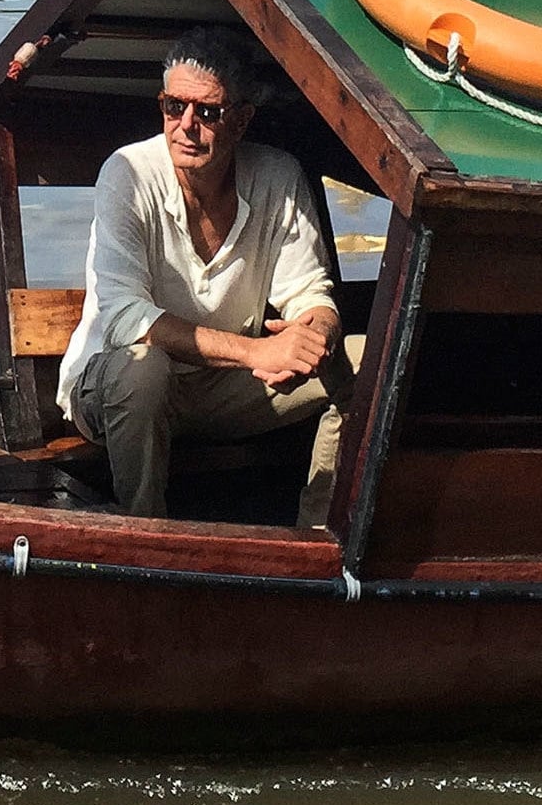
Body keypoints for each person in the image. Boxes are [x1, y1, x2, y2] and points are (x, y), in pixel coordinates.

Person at [56, 26, 346, 526]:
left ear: (241, 122)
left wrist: (312, 335)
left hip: (228, 389)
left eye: (207, 112)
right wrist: (258, 350)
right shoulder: (127, 172)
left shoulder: (277, 175)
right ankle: (147, 537)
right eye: (174, 107)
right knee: (142, 367)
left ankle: (321, 535)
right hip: (121, 390)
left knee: (369, 362)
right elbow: (126, 318)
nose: (186, 126)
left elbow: (310, 293)